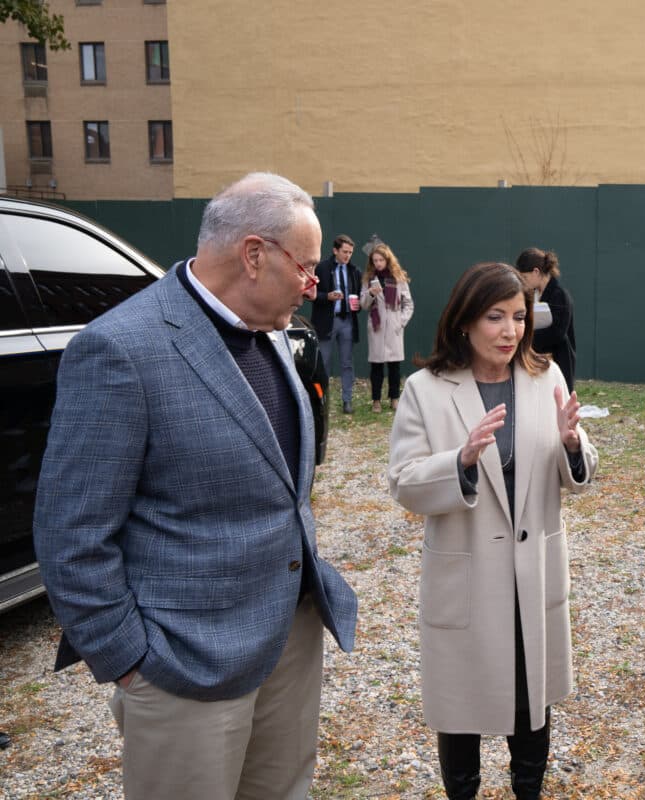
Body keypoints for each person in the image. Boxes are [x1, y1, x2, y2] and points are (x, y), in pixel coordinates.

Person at [32, 172, 359, 800]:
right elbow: (70, 532)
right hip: (184, 663)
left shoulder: (267, 333)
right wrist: (129, 660)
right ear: (255, 254)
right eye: (307, 267)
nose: (313, 284)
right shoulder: (120, 349)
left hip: (288, 636)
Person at [387, 262, 598, 800]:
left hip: (533, 578)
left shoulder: (544, 376)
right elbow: (406, 483)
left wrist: (573, 446)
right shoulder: (424, 389)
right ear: (464, 321)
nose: (510, 331)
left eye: (520, 317)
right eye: (495, 317)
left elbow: (578, 472)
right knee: (460, 710)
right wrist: (458, 460)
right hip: (467, 578)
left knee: (532, 706)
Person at [360, 242, 415, 412]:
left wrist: (401, 322)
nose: (378, 263)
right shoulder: (369, 279)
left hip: (394, 328)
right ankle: (376, 400)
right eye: (375, 260)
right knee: (376, 366)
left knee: (394, 366)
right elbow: (363, 304)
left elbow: (408, 304)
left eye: (381, 260)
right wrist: (370, 293)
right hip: (377, 327)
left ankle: (394, 398)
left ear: (387, 260)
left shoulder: (398, 279)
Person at [515, 247, 577, 391]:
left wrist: (527, 338)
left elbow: (557, 333)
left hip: (558, 360)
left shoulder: (559, 294)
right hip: (538, 359)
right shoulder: (534, 295)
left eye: (524, 278)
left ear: (536, 272)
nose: (523, 283)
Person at [312, 233, 362, 413]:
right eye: (345, 252)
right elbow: (310, 294)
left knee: (347, 362)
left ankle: (347, 400)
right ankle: (321, 400)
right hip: (327, 322)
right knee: (323, 362)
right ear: (335, 251)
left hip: (347, 321)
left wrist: (357, 306)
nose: (348, 256)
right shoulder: (322, 268)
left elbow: (359, 297)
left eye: (350, 252)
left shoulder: (354, 271)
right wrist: (328, 297)